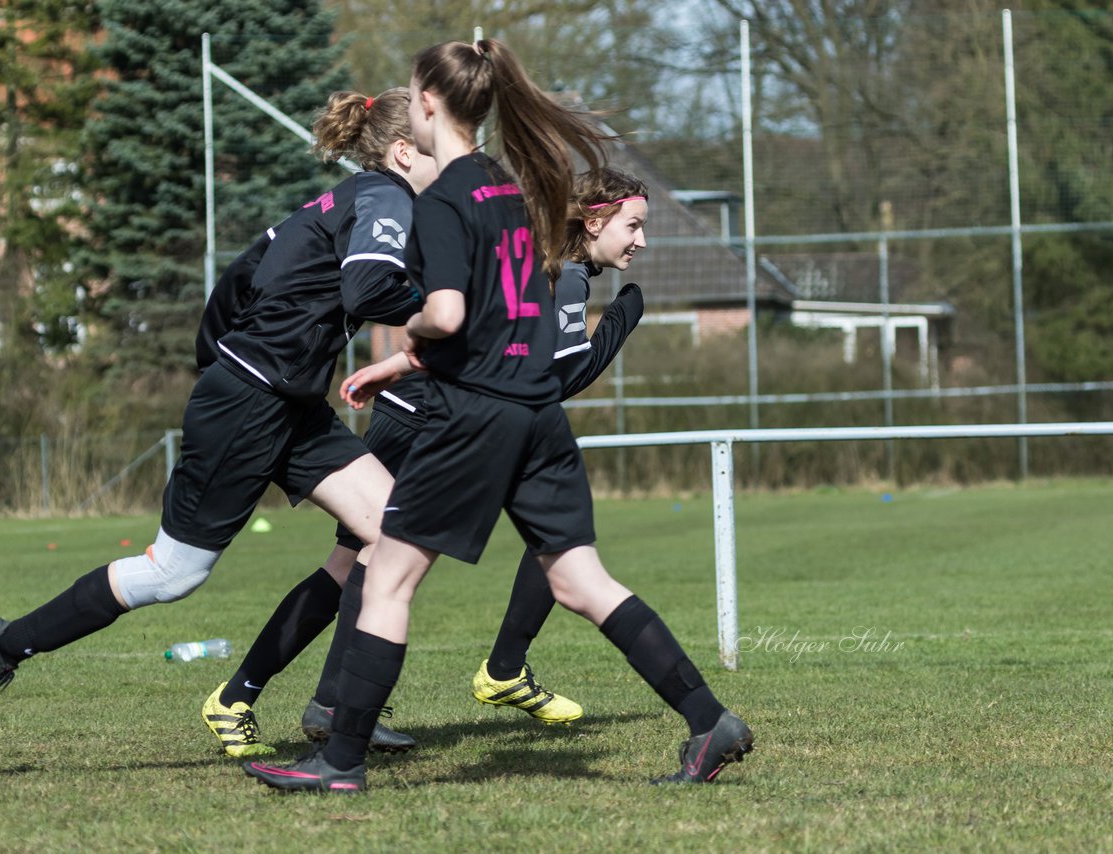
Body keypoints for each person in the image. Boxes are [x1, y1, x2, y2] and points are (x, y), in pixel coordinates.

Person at [242, 38, 752, 794]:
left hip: (476, 417)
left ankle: (340, 759)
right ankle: (710, 720)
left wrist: (410, 335)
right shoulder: (509, 187)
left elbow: (448, 313)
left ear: (427, 104)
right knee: (582, 583)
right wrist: (400, 365)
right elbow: (500, 316)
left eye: (413, 94)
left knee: (384, 578)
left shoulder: (446, 196)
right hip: (536, 413)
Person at [0, 88, 438, 733]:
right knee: (172, 573)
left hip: (283, 401)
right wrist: (442, 315)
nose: (460, 153)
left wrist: (222, 360)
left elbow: (243, 273)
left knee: (393, 531)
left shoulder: (348, 200)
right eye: (446, 138)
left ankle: (338, 709)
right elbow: (368, 286)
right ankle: (6, 642)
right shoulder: (385, 197)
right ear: (404, 152)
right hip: (249, 402)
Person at [203, 166, 650, 759]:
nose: (641, 241)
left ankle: (256, 696)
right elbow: (565, 375)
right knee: (373, 562)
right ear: (595, 220)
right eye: (634, 225)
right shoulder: (565, 278)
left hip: (428, 410)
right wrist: (622, 321)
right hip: (431, 417)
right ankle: (309, 699)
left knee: (383, 560)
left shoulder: (555, 269)